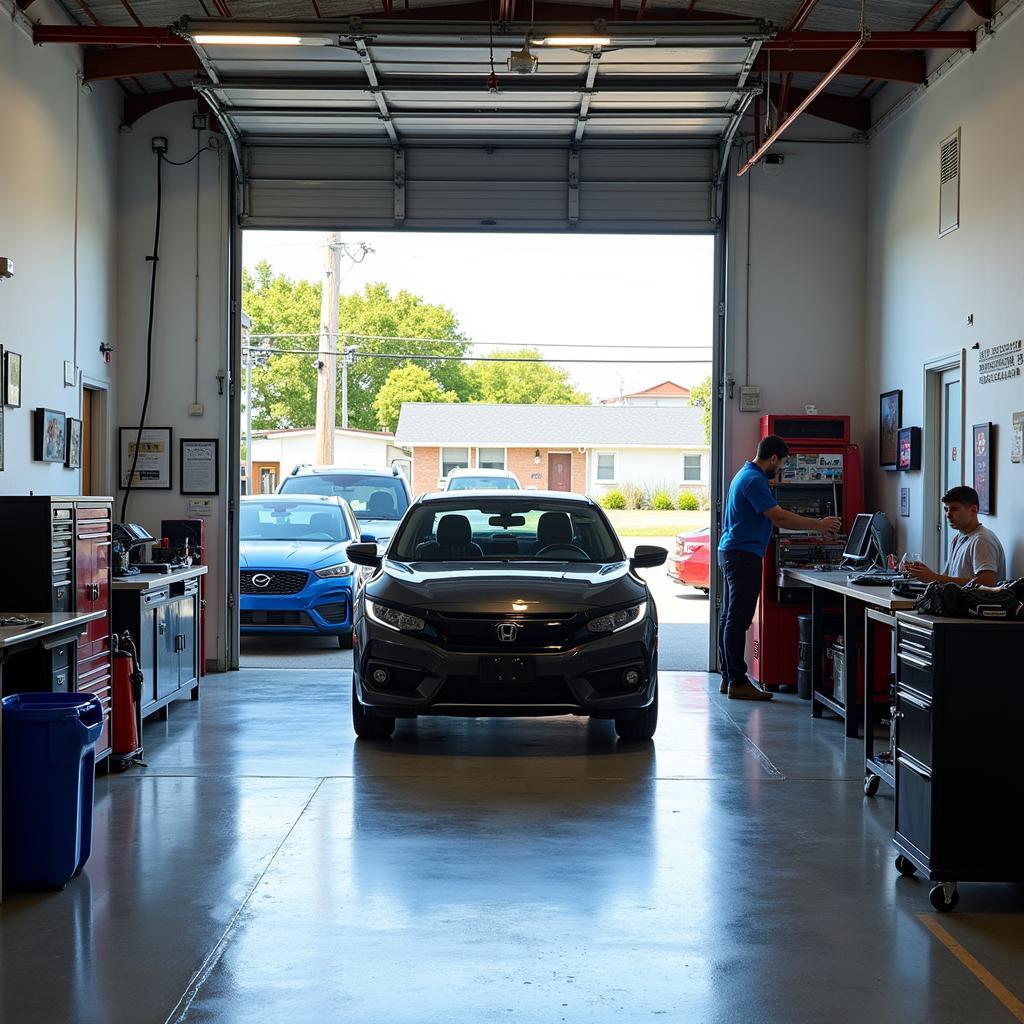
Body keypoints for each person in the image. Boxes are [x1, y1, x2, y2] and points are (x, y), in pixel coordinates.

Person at [718, 435, 841, 701]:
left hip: (732, 551)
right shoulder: (754, 480)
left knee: (730, 616)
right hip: (743, 555)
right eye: (783, 463)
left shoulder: (746, 474)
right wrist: (818, 524)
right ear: (773, 458)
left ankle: (729, 677)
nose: (782, 469)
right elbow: (779, 517)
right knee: (738, 619)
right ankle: (737, 681)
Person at [904, 485, 1006, 586]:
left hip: (973, 602)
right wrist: (924, 574)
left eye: (954, 509)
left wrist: (934, 577)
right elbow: (947, 578)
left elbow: (986, 583)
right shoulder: (958, 538)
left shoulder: (981, 540)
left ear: (973, 510)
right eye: (946, 509)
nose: (948, 514)